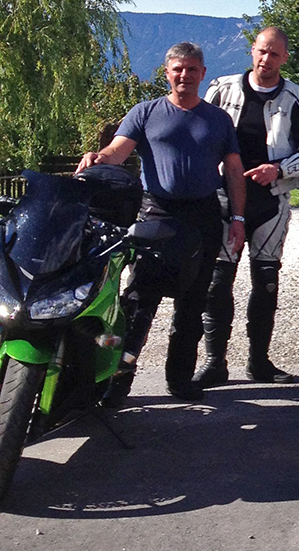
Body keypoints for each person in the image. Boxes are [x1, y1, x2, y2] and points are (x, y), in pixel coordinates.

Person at [77, 42, 246, 402]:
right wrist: (99, 158)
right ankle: (116, 381)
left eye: (191, 69)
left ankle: (179, 381)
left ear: (202, 73)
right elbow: (117, 151)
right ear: (167, 73)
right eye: (177, 69)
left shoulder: (218, 120)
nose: (184, 75)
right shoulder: (145, 112)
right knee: (138, 304)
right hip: (156, 215)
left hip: (203, 217)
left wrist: (238, 218)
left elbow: (233, 170)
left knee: (192, 304)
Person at [194, 27, 299, 387]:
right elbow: (201, 134)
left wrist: (278, 169)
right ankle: (214, 362)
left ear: (285, 58)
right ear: (252, 50)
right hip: (223, 199)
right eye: (262, 51)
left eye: (275, 54)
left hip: (271, 202)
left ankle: (258, 362)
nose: (267, 60)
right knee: (218, 284)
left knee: (266, 284)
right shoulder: (221, 88)